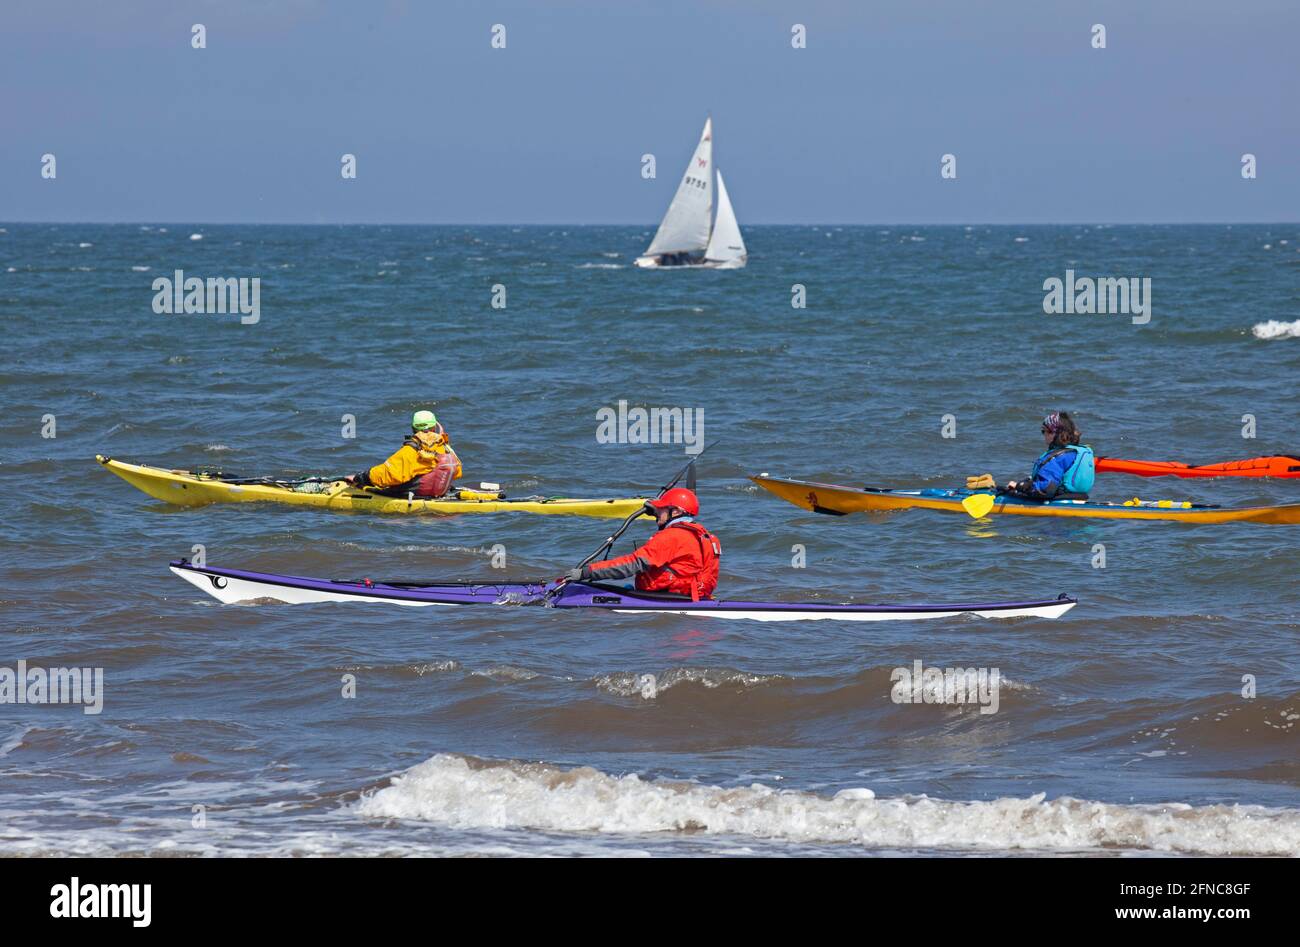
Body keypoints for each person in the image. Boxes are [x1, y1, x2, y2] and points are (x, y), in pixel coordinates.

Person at [564, 487, 721, 600]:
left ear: (676, 512)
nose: (657, 514)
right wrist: (656, 507)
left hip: (670, 597)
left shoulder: (672, 536)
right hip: (693, 596)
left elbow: (632, 565)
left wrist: (587, 572)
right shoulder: (704, 535)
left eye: (661, 510)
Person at [344, 410, 462, 497]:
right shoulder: (444, 447)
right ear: (434, 428)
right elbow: (457, 472)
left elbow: (390, 474)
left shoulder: (412, 449)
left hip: (412, 495)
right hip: (437, 493)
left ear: (413, 429)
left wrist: (361, 477)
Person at [1003, 411, 1096, 501]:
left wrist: (1019, 486)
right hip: (1079, 497)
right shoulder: (1075, 452)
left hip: (1057, 500)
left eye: (1044, 431)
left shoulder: (1057, 458)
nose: (1043, 434)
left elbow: (1044, 489)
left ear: (1054, 433)